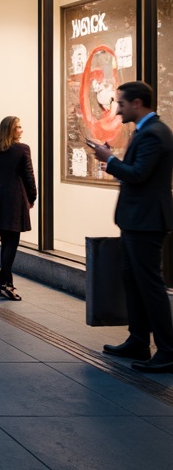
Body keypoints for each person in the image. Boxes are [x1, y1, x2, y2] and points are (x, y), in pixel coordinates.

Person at [88, 81, 173, 372]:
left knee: (150, 286)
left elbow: (137, 175)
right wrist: (112, 158)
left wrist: (109, 161)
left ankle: (168, 350)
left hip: (146, 223)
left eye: (121, 104)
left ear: (137, 103)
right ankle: (138, 340)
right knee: (134, 282)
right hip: (136, 221)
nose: (117, 109)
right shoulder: (146, 132)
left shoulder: (155, 134)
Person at [0, 115, 37, 300]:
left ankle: (8, 283)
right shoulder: (22, 149)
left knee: (6, 243)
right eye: (19, 127)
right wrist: (32, 197)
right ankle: (3, 284)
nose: (22, 130)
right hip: (15, 199)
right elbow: (29, 176)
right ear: (11, 130)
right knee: (11, 244)